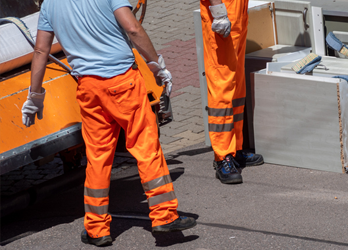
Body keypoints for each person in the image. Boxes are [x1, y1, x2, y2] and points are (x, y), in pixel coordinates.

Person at [21, 0, 196, 246]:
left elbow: (41, 51)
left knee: (98, 157)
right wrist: (156, 65)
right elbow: (133, 28)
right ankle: (164, 216)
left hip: (88, 88)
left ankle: (96, 228)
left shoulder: (50, 4)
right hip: (123, 82)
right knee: (145, 147)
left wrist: (35, 96)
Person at [200, 0, 264, 185]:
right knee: (222, 86)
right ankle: (223, 156)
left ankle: (235, 149)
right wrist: (219, 11)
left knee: (236, 84)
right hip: (223, 11)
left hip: (237, 12)